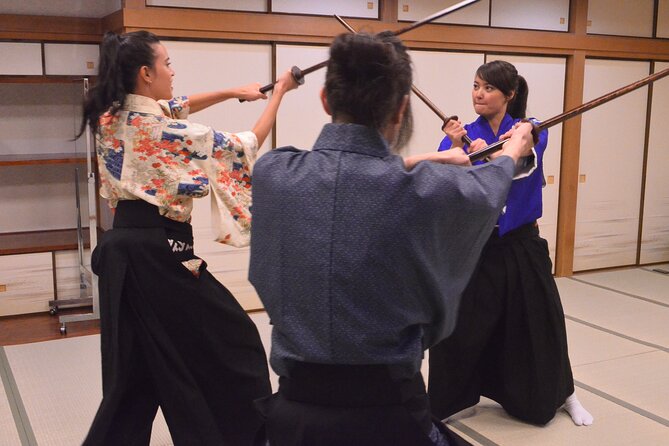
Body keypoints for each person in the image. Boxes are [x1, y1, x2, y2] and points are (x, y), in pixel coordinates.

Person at [248, 32, 535, 446]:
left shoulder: (274, 174)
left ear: (326, 100)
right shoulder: (424, 190)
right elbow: (487, 187)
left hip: (293, 416)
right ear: (401, 109)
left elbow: (354, 175)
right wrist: (511, 152)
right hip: (391, 413)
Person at [79, 30, 298, 445]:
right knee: (238, 344)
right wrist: (279, 93)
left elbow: (171, 106)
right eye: (167, 63)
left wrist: (235, 91)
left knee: (134, 375)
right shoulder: (164, 133)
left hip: (120, 254)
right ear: (146, 73)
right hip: (160, 256)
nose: (173, 71)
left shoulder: (108, 117)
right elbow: (244, 146)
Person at [428, 60, 594, 427]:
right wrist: (457, 146)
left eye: (487, 88)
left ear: (510, 94)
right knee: (456, 324)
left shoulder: (530, 129)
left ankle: (564, 394)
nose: (478, 94)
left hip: (520, 242)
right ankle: (452, 399)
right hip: (475, 244)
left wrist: (495, 150)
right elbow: (445, 179)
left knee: (540, 324)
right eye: (475, 86)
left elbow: (519, 162)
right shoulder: (463, 132)